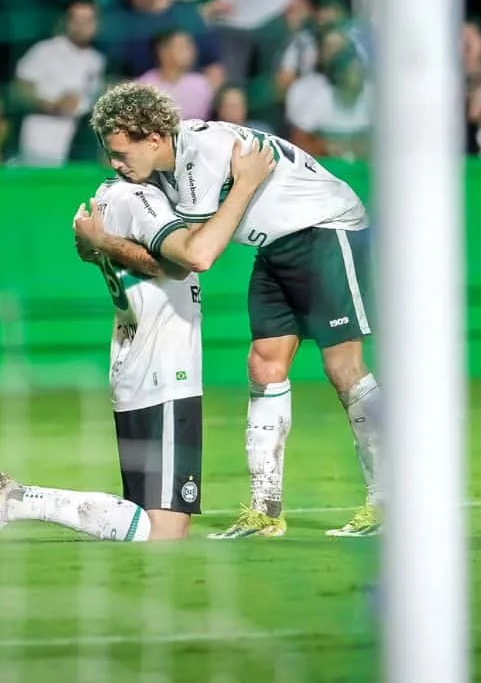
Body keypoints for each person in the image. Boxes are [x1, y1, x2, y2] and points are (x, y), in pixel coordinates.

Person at [72, 82, 382, 538]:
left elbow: (196, 257)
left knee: (343, 367)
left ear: (153, 137)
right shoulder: (163, 169)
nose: (116, 165)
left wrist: (105, 244)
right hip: (276, 246)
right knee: (263, 366)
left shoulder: (201, 155)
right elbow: (175, 260)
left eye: (121, 153)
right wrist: (101, 244)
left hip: (325, 228)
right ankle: (265, 511)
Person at [0, 178, 213, 545]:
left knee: (149, 519)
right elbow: (180, 262)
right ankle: (16, 500)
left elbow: (86, 249)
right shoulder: (142, 197)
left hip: (135, 359)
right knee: (165, 532)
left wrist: (98, 244)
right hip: (166, 368)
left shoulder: (108, 195)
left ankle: (16, 500)